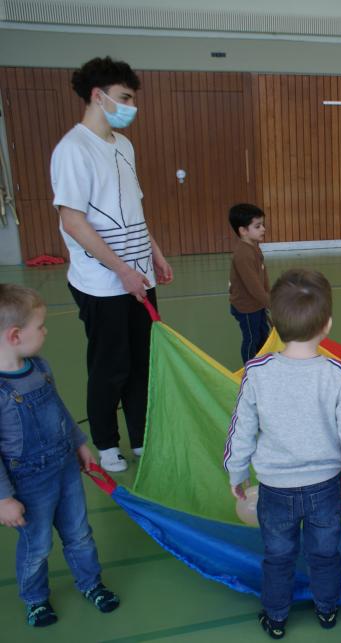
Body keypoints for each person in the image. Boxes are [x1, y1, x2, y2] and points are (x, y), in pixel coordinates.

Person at [223, 269, 341, 639]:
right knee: (324, 554)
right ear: (327, 325)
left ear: (273, 322)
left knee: (278, 556)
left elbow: (241, 429)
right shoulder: (338, 374)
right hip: (324, 489)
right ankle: (327, 609)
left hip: (274, 490)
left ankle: (276, 618)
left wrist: (237, 473)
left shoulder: (257, 372)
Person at [50, 56, 173, 473]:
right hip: (102, 284)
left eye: (132, 99)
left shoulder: (123, 145)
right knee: (110, 366)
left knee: (141, 363)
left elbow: (134, 208)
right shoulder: (73, 149)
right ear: (97, 96)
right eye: (124, 97)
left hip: (139, 275)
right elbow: (72, 220)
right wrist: (121, 270)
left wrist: (154, 252)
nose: (131, 107)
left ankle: (140, 437)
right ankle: (106, 443)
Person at [0, 284, 120, 627]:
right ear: (15, 335)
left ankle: (90, 582)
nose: (45, 332)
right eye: (40, 326)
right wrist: (3, 499)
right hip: (28, 483)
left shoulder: (40, 367)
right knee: (36, 546)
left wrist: (79, 444)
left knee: (79, 533)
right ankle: (35, 599)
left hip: (65, 468)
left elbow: (59, 410)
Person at [228, 203, 271, 364]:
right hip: (246, 307)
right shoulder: (243, 254)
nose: (263, 229)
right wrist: (270, 303)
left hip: (258, 304)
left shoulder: (255, 247)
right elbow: (253, 285)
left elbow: (263, 276)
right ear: (243, 231)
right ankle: (250, 368)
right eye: (258, 226)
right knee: (252, 338)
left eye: (262, 225)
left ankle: (261, 363)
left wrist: (268, 297)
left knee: (263, 335)